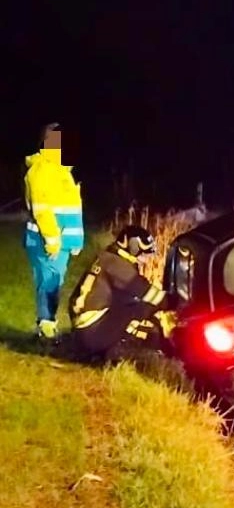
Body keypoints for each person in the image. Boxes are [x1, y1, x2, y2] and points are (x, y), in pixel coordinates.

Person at [68, 225, 176, 363]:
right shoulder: (117, 265)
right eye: (144, 254)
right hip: (92, 331)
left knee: (137, 309)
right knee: (144, 308)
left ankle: (119, 346)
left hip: (86, 325)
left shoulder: (109, 258)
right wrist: (176, 302)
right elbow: (148, 293)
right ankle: (139, 352)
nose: (147, 259)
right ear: (133, 247)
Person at [25, 123, 85, 341]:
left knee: (53, 283)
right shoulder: (42, 170)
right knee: (49, 284)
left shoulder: (59, 170)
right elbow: (42, 209)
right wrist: (52, 240)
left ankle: (47, 326)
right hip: (47, 242)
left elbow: (68, 210)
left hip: (60, 243)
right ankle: (46, 329)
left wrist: (74, 240)